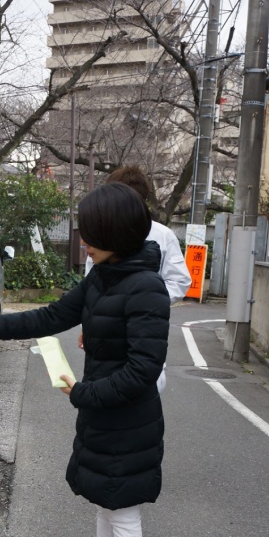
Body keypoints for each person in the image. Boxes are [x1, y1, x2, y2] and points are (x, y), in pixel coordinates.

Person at [0, 183, 170, 537]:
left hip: (128, 418)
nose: (81, 240)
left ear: (111, 231)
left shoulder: (146, 288)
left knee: (124, 512)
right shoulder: (102, 276)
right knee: (104, 504)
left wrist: (83, 393)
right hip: (102, 411)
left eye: (87, 231)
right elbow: (51, 316)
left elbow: (142, 372)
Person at [83, 165, 191, 393]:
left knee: (143, 383)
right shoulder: (101, 232)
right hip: (105, 325)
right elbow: (90, 281)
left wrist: (147, 300)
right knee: (101, 379)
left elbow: (180, 281)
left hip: (143, 324)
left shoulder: (162, 235)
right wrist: (89, 321)